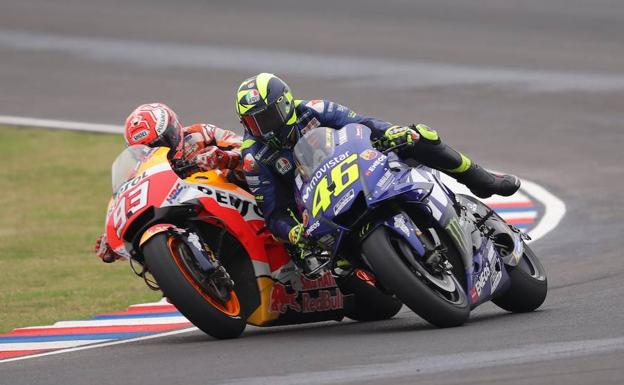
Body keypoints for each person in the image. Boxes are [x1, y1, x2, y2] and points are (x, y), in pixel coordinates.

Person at [235, 73, 520, 269]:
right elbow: (274, 213)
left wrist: (392, 132)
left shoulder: (315, 110)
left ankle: (480, 179)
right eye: (254, 123)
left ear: (285, 104)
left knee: (419, 136)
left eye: (268, 117)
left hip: (358, 168)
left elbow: (362, 124)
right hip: (316, 207)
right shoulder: (254, 158)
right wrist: (294, 232)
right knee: (330, 265)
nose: (264, 128)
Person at [94, 102, 244, 263]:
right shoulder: (138, 173)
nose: (153, 152)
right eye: (144, 149)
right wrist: (115, 239)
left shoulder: (201, 134)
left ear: (173, 132)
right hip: (188, 216)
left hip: (234, 199)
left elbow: (245, 148)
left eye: (158, 144)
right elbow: (131, 201)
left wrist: (225, 158)